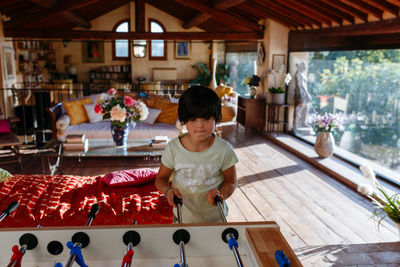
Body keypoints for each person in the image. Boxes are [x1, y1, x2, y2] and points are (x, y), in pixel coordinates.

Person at [155, 85, 238, 223]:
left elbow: (231, 182)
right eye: (193, 119)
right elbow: (161, 179)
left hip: (216, 218)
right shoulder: (174, 148)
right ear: (184, 120)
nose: (200, 125)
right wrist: (167, 191)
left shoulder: (224, 150)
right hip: (182, 218)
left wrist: (220, 194)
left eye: (206, 119)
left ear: (216, 118)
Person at [294, 62, 313, 132]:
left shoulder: (301, 74)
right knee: (301, 107)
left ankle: (303, 122)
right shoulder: (299, 74)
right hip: (301, 94)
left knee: (306, 107)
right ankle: (297, 122)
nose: (305, 68)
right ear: (301, 67)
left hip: (303, 94)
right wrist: (307, 94)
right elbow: (301, 85)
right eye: (304, 66)